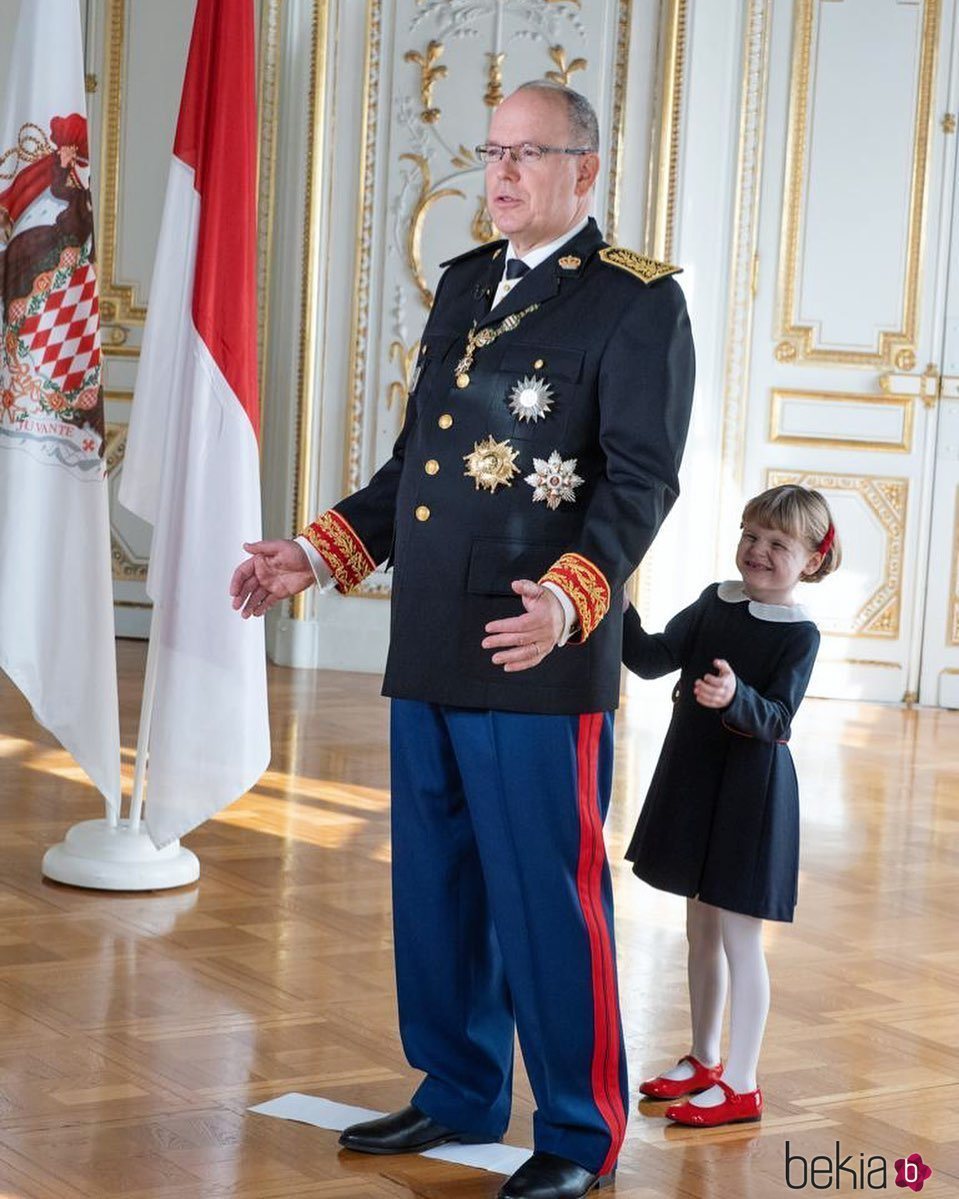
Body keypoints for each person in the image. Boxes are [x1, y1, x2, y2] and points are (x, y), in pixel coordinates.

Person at [231, 80, 695, 1199]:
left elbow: (639, 482)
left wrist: (572, 597)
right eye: (493, 149)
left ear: (585, 170)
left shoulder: (636, 303)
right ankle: (457, 1087)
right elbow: (417, 473)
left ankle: (579, 1131)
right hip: (434, 632)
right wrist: (321, 548)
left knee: (546, 891)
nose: (501, 172)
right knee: (435, 883)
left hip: (537, 645)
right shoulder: (464, 282)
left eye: (529, 154)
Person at [621, 484, 840, 1128]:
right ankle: (705, 1059)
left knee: (742, 941)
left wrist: (733, 697)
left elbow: (777, 718)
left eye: (779, 544)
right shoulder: (715, 601)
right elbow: (655, 658)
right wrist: (618, 607)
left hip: (750, 796)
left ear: (812, 561)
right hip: (697, 782)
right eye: (751, 535)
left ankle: (742, 1085)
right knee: (700, 931)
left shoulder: (800, 634)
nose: (758, 551)